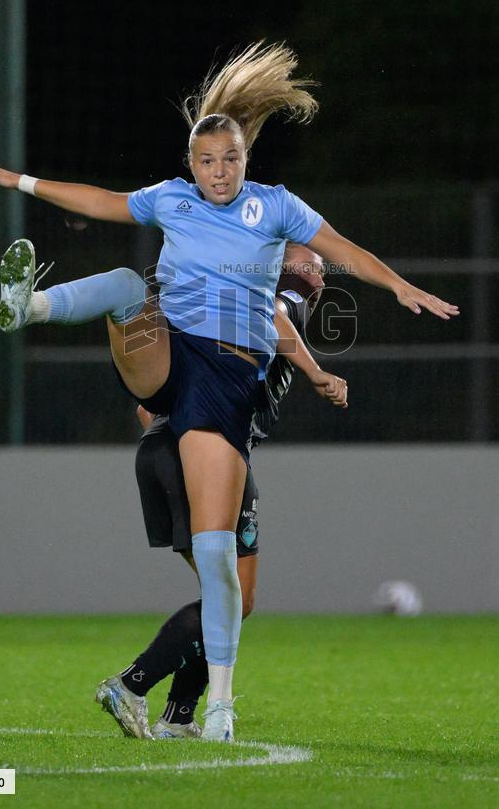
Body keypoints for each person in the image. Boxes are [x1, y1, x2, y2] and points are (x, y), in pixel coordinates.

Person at [0, 41, 458, 742]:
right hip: (171, 356)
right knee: (129, 289)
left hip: (220, 388)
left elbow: (342, 250)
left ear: (245, 162)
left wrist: (400, 286)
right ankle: (29, 307)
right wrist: (20, 181)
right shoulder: (171, 199)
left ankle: (211, 708)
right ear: (191, 165)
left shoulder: (275, 211)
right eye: (207, 161)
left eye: (230, 160)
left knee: (219, 558)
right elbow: (103, 202)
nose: (220, 171)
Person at [104, 244, 325, 740]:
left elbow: (149, 405)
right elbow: (274, 310)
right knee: (235, 599)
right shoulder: (278, 298)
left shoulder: (225, 313)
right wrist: (315, 374)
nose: (322, 276)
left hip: (164, 451)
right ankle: (132, 685)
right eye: (315, 265)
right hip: (206, 456)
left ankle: (179, 715)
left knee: (222, 595)